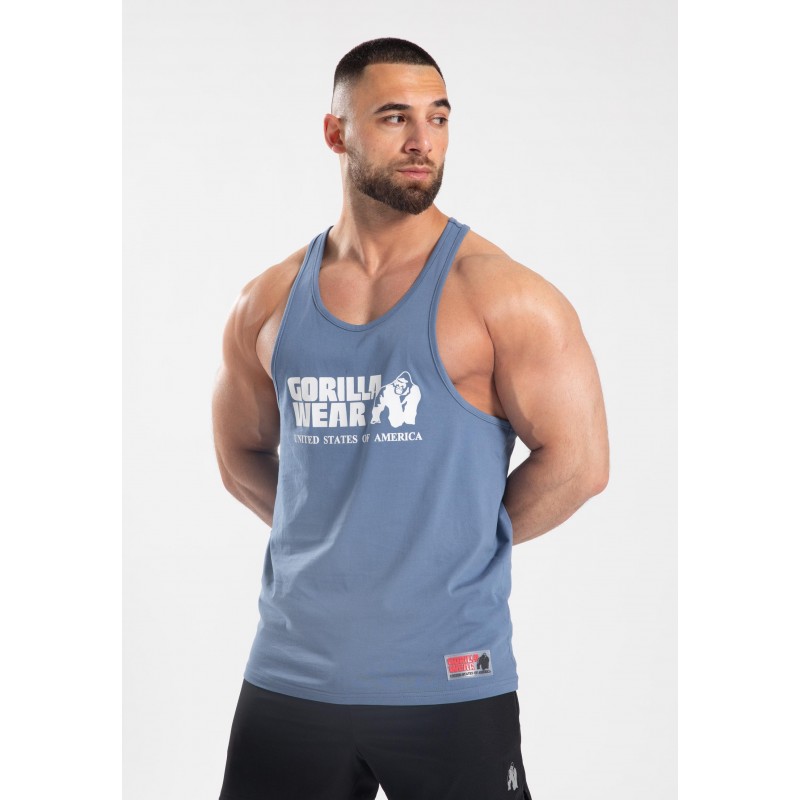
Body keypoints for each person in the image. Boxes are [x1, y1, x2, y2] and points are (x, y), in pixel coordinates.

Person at [212, 36, 609, 800]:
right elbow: (238, 455)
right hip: (289, 681)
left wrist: (452, 544)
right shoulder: (267, 301)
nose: (423, 140)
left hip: (450, 682)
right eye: (395, 117)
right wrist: (338, 541)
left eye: (439, 117)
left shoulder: (502, 294)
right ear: (336, 133)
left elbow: (580, 465)